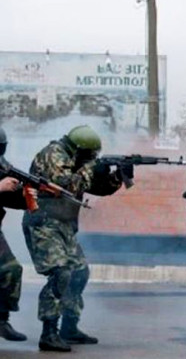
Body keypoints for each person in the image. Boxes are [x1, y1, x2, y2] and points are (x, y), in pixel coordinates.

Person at [22, 125, 123, 352]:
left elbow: (96, 187)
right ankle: (49, 332)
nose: (91, 159)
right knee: (61, 272)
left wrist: (116, 177)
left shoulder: (76, 160)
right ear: (79, 149)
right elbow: (65, 186)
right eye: (90, 156)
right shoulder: (53, 154)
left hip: (64, 226)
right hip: (44, 224)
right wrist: (91, 168)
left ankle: (69, 327)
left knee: (79, 272)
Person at [0, 127, 35, 342]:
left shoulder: (3, 167)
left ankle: (2, 320)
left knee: (11, 269)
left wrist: (26, 193)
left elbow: (10, 200)